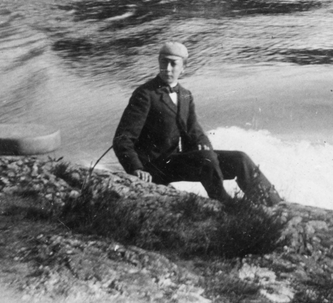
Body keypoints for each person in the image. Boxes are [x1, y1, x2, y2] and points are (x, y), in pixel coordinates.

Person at [112, 40, 282, 207]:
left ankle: (273, 203)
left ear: (183, 67)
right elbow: (122, 139)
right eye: (163, 62)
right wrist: (136, 169)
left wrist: (204, 146)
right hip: (153, 167)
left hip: (174, 161)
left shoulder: (185, 95)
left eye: (173, 64)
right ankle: (224, 202)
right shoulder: (145, 94)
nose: (168, 68)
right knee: (205, 159)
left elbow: (194, 131)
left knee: (240, 158)